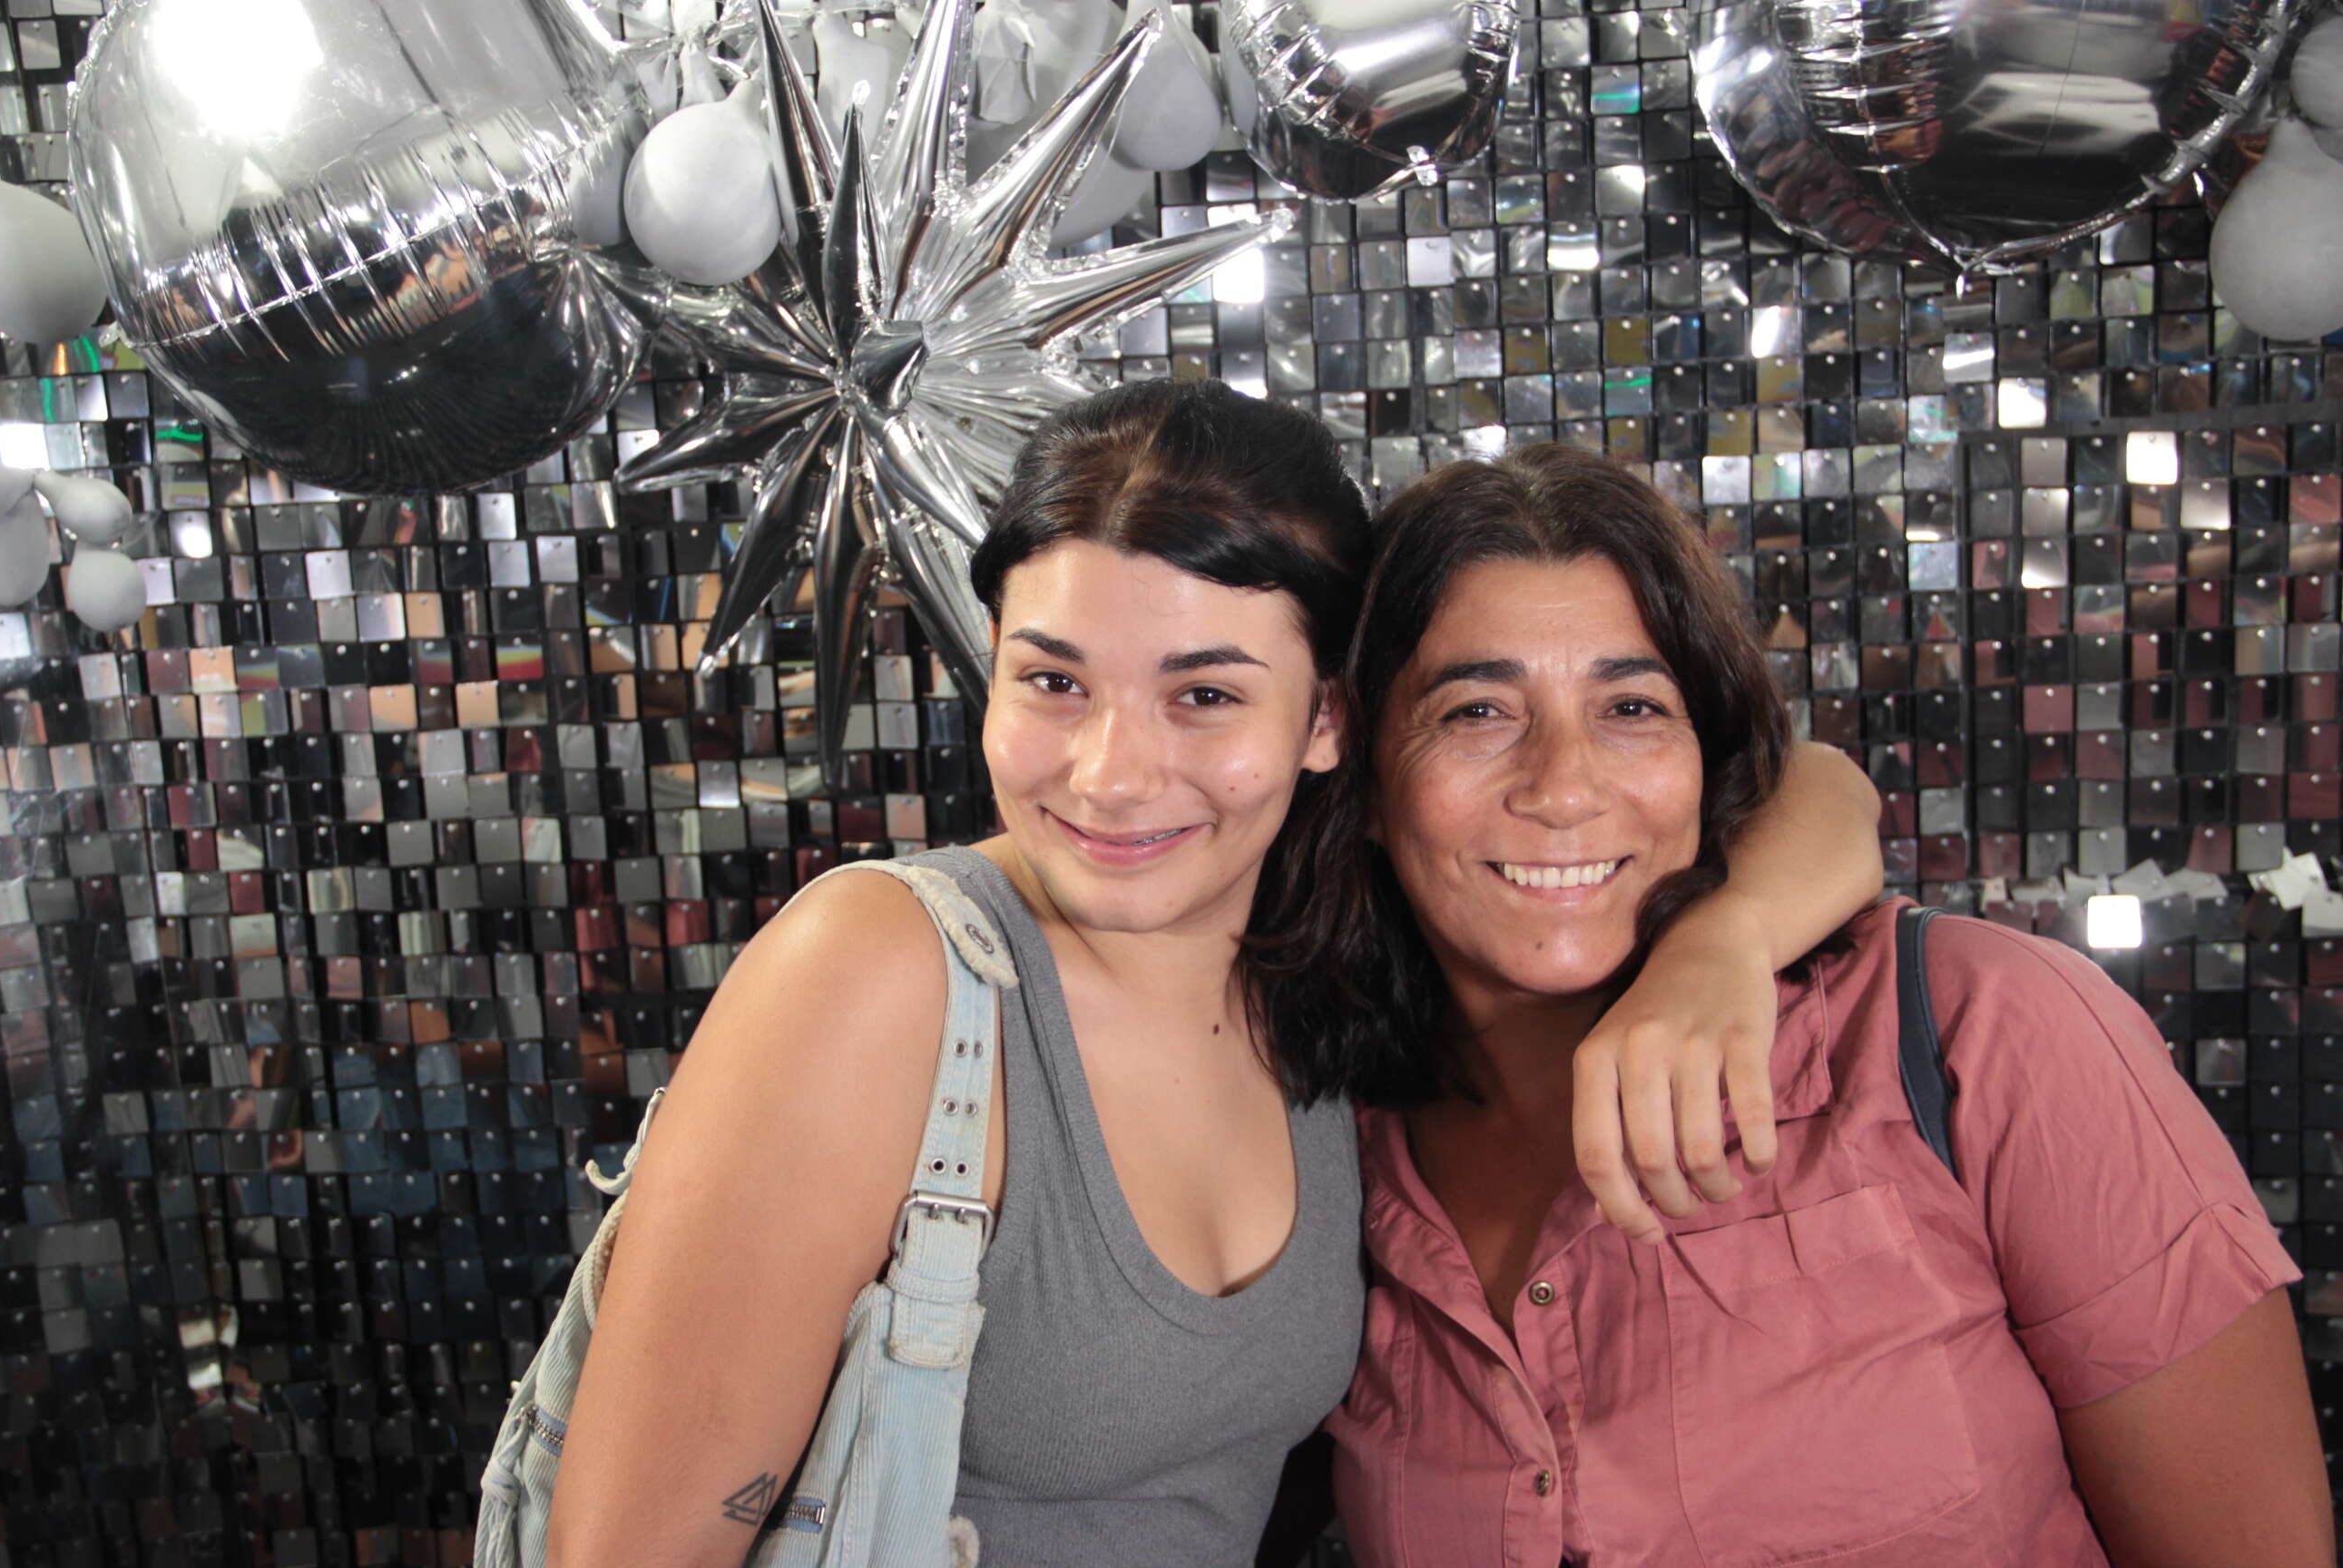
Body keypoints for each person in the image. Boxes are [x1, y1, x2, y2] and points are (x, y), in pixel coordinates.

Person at [540, 382, 1884, 1568]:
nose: (1113, 774)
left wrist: (1717, 944)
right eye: (1053, 682)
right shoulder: (884, 973)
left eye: (1205, 695)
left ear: (1327, 720)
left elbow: (1812, 785)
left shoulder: (1329, 978)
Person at [1304, 442, 2333, 1567]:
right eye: (1475, 712)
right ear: (1363, 774)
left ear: (1710, 758)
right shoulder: (1328, 1155)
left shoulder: (1986, 1030)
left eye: (1632, 707)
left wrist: (1727, 938)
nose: (1562, 787)